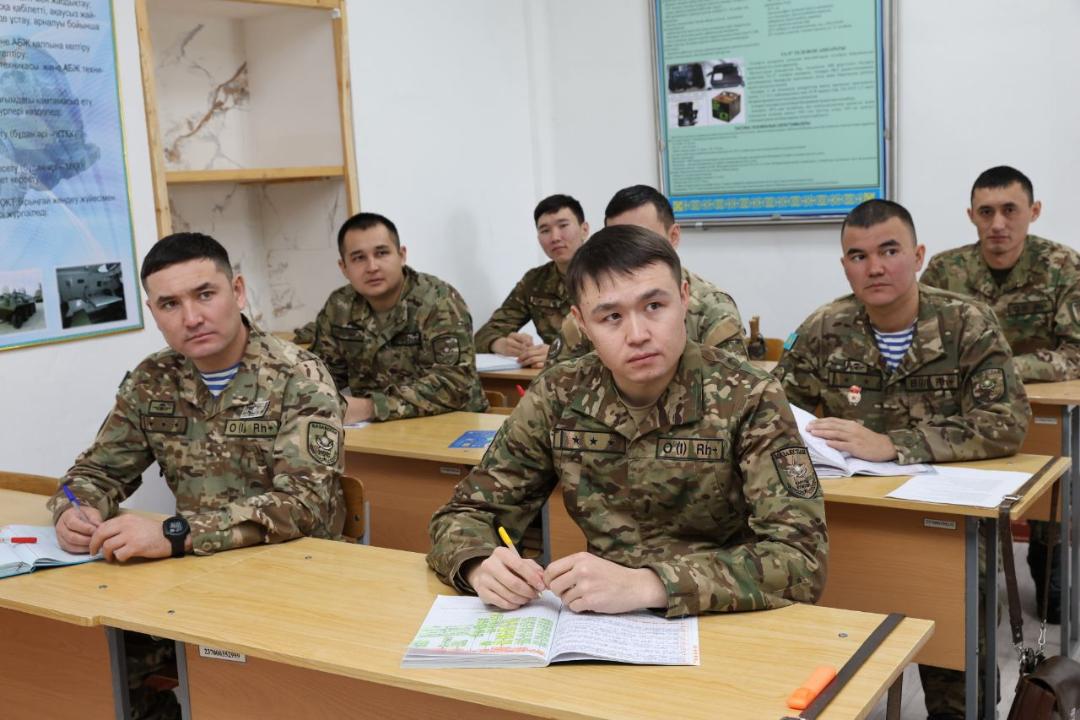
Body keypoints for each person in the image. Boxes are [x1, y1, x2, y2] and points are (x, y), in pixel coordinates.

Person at [428, 225, 827, 617]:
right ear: (582, 324)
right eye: (612, 316)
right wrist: (478, 564)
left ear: (684, 299)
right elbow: (464, 513)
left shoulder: (749, 396)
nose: (637, 334)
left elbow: (800, 558)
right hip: (602, 622)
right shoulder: (559, 394)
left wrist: (649, 585)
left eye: (654, 307)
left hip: (722, 618)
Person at [48, 232, 346, 719]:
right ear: (153, 312)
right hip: (191, 579)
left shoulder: (299, 376)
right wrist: (73, 509)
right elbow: (93, 471)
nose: (191, 317)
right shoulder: (153, 380)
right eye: (170, 304)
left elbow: (303, 506)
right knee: (88, 659)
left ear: (238, 292)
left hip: (293, 582)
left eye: (205, 294)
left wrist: (173, 533)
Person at [775, 199, 1030, 720]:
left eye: (889, 251)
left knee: (959, 639)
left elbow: (1006, 421)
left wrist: (895, 444)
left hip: (947, 520)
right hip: (851, 515)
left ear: (917, 256)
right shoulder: (824, 328)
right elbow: (775, 417)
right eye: (858, 256)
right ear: (845, 266)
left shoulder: (966, 323)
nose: (874, 267)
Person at [921, 165, 1077, 623]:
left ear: (1034, 211)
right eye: (986, 212)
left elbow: (1076, 351)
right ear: (971, 215)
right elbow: (920, 343)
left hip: (1042, 408)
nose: (998, 224)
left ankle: (1047, 556)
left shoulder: (1063, 266)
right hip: (966, 410)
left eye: (1010, 210)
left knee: (1054, 606)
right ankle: (976, 573)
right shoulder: (946, 270)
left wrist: (1000, 369)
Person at [310, 212, 487, 424]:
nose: (372, 267)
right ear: (344, 268)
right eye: (359, 258)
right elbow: (322, 376)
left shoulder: (438, 301)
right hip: (376, 429)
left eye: (381, 253)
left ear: (401, 255)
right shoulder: (340, 305)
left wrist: (370, 407)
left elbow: (454, 385)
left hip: (453, 425)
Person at [547, 184, 746, 365]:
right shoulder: (595, 308)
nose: (631, 251)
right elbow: (557, 376)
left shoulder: (713, 308)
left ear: (673, 236)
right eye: (619, 241)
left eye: (643, 238)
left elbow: (731, 383)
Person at [473, 194, 589, 367]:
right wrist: (501, 344)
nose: (555, 237)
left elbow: (621, 340)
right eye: (545, 230)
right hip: (551, 378)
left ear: (584, 229)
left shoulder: (610, 275)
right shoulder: (535, 281)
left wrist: (559, 354)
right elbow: (484, 334)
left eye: (563, 226)